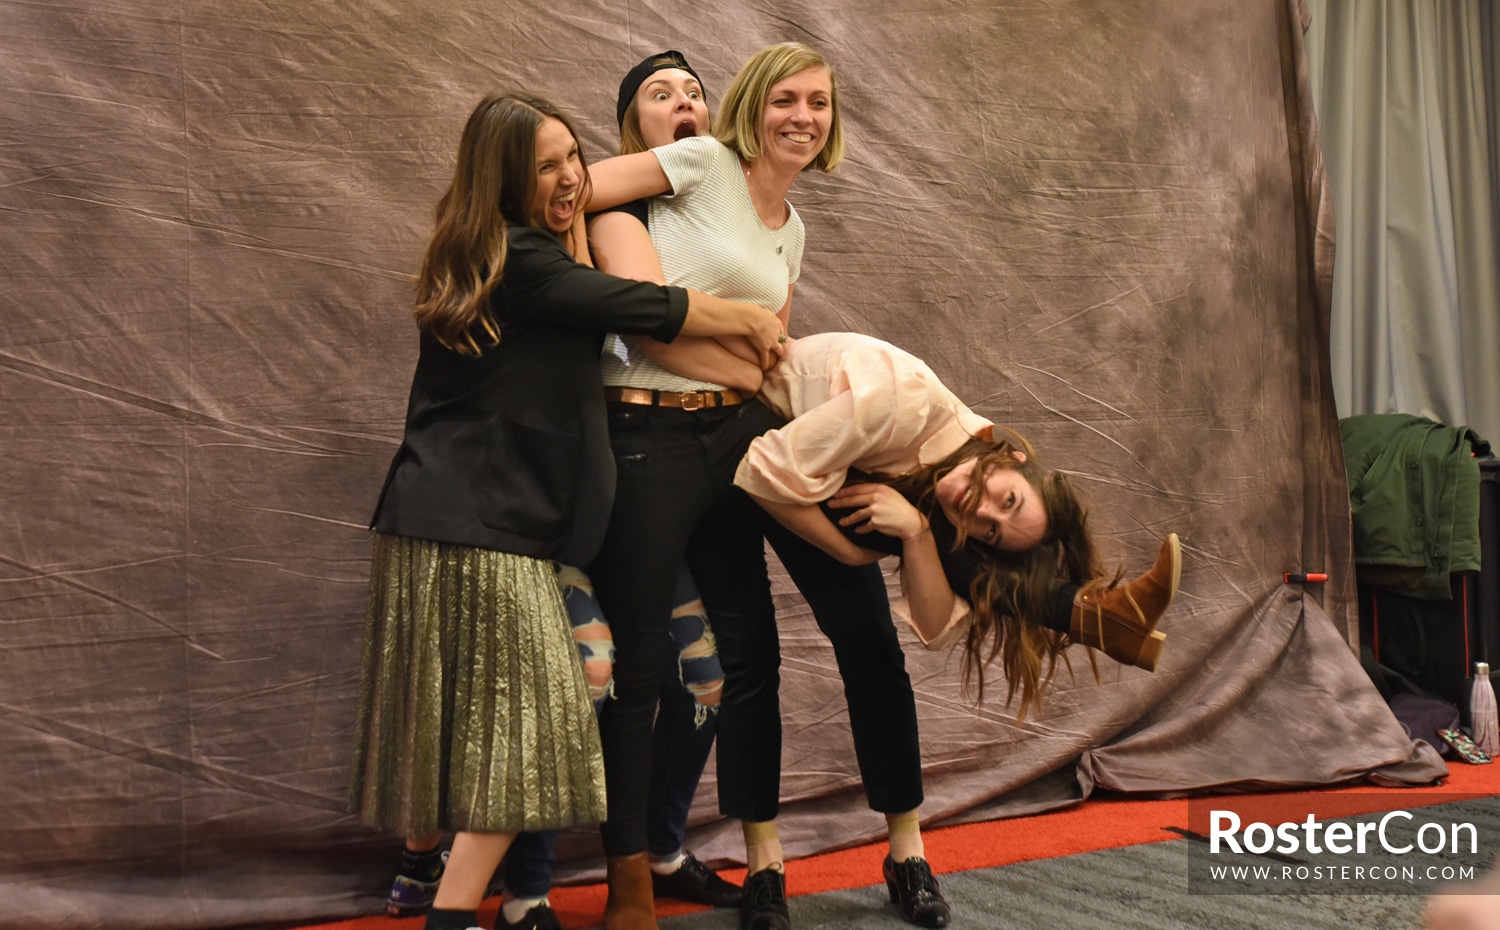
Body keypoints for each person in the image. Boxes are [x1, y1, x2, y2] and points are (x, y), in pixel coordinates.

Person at [348, 90, 785, 930]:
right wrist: (743, 316)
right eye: (544, 166)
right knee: (538, 722)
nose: (569, 177)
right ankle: (458, 907)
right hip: (475, 527)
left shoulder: (506, 250)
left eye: (571, 158)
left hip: (464, 521)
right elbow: (640, 306)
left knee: (477, 720)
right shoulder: (519, 257)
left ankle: (432, 889)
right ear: (503, 182)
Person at [585, 45, 947, 930]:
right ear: (753, 105)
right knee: (742, 657)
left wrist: (758, 370)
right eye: (785, 99)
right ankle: (761, 865)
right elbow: (575, 189)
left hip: (753, 433)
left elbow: (769, 360)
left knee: (864, 618)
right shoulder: (700, 162)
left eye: (818, 103)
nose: (803, 117)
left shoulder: (791, 227)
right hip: (662, 437)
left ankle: (908, 849)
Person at [735, 330, 1181, 714]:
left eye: (994, 530)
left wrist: (916, 532)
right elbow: (760, 469)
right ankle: (1102, 621)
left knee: (902, 616)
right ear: (1010, 456)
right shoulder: (903, 402)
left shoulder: (941, 494)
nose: (982, 512)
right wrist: (849, 553)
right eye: (1007, 499)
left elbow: (935, 629)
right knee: (770, 654)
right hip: (740, 428)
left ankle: (1107, 622)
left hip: (791, 461)